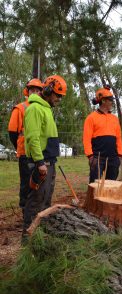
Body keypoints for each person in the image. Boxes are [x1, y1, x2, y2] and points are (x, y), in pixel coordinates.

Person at [23, 75, 67, 236]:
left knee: (45, 201)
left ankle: (41, 236)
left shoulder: (46, 109)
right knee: (35, 202)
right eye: (57, 95)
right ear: (48, 90)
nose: (59, 99)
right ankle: (27, 239)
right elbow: (32, 138)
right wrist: (40, 162)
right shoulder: (35, 108)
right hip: (40, 164)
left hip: (49, 161)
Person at [8, 78, 43, 215]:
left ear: (41, 92)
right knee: (26, 183)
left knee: (39, 183)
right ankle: (25, 210)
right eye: (32, 89)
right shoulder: (20, 108)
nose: (35, 92)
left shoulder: (43, 107)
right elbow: (12, 133)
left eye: (38, 90)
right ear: (27, 91)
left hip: (40, 152)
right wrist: (20, 148)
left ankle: (36, 209)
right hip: (25, 153)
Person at [83, 86, 122, 183]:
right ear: (103, 101)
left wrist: (120, 155)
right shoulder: (91, 118)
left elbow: (118, 138)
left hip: (113, 158)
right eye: (110, 100)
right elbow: (86, 138)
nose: (112, 102)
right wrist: (90, 156)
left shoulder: (114, 118)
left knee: (111, 185)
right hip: (97, 158)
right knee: (95, 185)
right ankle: (93, 199)